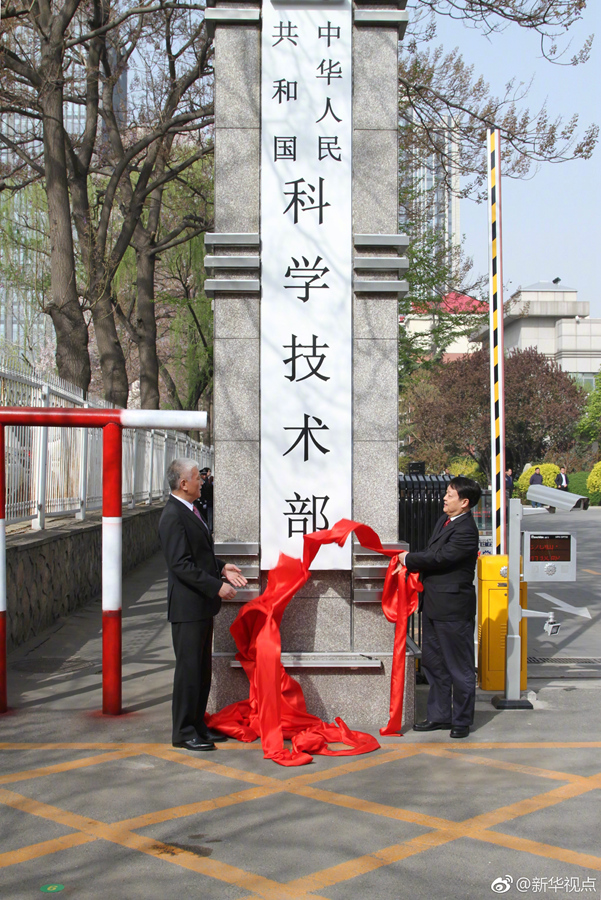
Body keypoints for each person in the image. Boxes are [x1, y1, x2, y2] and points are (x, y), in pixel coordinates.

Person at [159, 458, 247, 751]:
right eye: (198, 477)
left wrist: (222, 567)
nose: (203, 481)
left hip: (200, 606)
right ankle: (183, 731)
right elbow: (181, 565)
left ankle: (197, 724)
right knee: (188, 671)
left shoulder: (190, 510)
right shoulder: (172, 515)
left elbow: (199, 554)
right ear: (183, 483)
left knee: (201, 670)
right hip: (187, 608)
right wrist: (216, 586)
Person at [395, 476, 482, 739]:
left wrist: (408, 559)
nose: (444, 498)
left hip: (454, 608)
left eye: (450, 495)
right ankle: (439, 715)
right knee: (434, 664)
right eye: (446, 493)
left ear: (464, 502)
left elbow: (441, 557)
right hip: (433, 605)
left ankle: (461, 720)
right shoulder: (445, 520)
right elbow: (433, 553)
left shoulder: (466, 530)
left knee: (459, 667)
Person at [200, 467, 214, 533]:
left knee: (209, 516)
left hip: (208, 502)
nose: (204, 476)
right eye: (203, 475)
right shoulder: (202, 481)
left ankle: (209, 529)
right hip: (203, 502)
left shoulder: (209, 481)